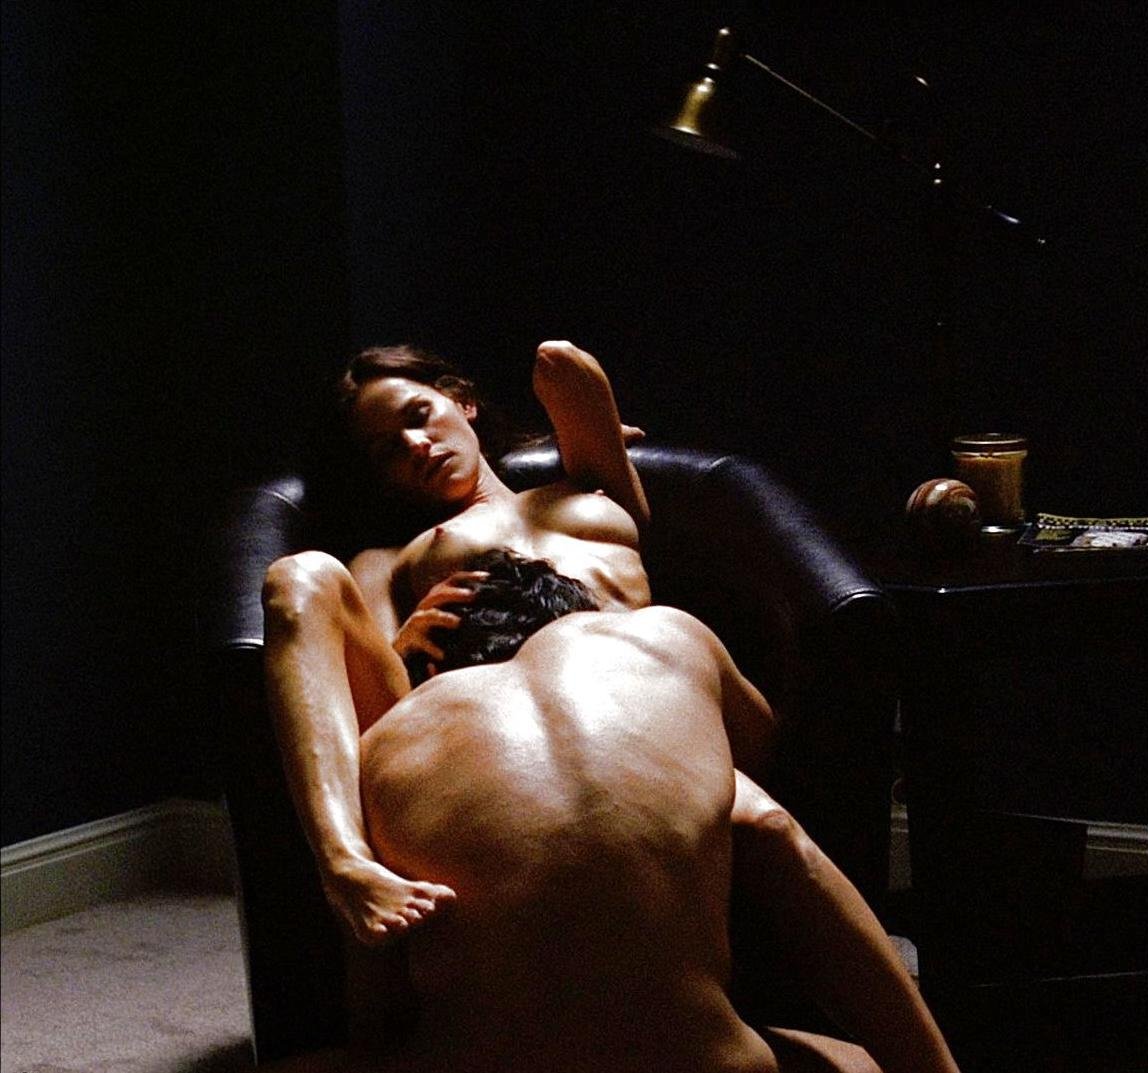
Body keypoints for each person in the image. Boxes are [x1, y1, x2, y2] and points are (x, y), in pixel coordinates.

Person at [262, 341, 956, 1072]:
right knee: (303, 579)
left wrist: (559, 437)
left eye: (418, 414)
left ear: (462, 400)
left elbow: (563, 367)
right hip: (481, 711)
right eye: (384, 451)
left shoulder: (591, 494)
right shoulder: (388, 559)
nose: (413, 445)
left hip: (637, 701)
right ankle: (344, 862)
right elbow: (377, 706)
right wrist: (401, 642)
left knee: (763, 820)